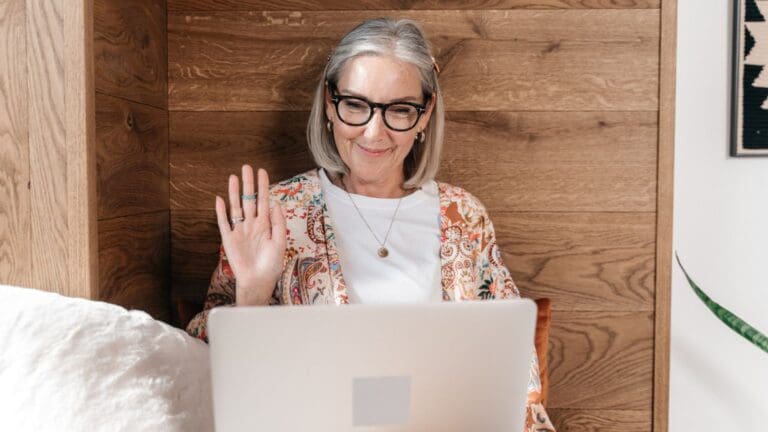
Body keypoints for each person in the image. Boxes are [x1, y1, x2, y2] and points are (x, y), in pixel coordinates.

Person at [186, 18, 556, 432]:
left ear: (425, 114)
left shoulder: (463, 216)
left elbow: (514, 365)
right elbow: (204, 367)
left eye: (399, 109)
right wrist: (251, 296)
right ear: (329, 102)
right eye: (356, 106)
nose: (374, 132)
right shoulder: (279, 214)